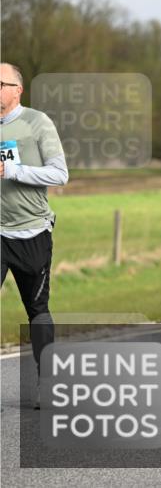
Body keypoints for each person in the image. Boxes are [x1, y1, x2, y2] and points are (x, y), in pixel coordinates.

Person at [0, 63, 68, 408]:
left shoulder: (37, 123)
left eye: (0, 84)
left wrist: (14, 170)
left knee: (37, 309)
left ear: (17, 90)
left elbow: (60, 174)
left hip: (31, 232)